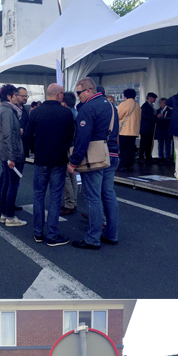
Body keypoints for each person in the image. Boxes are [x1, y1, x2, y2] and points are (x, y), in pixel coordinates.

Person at [67, 77, 119, 249]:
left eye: (79, 92)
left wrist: (73, 162)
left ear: (88, 91)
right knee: (108, 194)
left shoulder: (88, 108)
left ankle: (93, 238)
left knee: (93, 197)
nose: (78, 96)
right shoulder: (110, 105)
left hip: (95, 157)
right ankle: (111, 233)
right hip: (112, 153)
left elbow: (82, 138)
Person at [25, 83, 75, 247]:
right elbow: (70, 137)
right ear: (59, 94)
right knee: (55, 196)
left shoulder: (35, 112)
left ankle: (38, 233)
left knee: (38, 195)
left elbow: (27, 136)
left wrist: (35, 149)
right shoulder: (66, 113)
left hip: (41, 159)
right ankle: (52, 235)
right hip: (59, 160)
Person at [0, 84, 27, 228]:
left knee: (7, 183)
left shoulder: (5, 109)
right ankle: (9, 217)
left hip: (7, 151)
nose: (17, 97)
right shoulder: (8, 111)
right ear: (9, 96)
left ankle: (4, 214)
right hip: (12, 152)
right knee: (12, 184)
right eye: (15, 95)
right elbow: (7, 134)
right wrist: (11, 157)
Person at [61, 92, 79, 216]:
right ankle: (74, 202)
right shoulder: (77, 113)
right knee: (73, 175)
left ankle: (69, 203)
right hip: (75, 147)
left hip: (67, 147)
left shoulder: (66, 114)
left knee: (66, 175)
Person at [116, 88, 141, 171]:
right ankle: (130, 165)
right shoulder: (137, 105)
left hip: (125, 130)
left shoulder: (124, 104)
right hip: (134, 131)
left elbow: (118, 116)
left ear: (125, 96)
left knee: (123, 148)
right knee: (131, 148)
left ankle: (124, 165)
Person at [138, 92, 157, 164]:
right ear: (149, 98)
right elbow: (145, 116)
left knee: (149, 142)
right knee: (144, 142)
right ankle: (142, 156)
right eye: (153, 98)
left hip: (149, 127)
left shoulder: (150, 106)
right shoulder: (145, 106)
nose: (154, 99)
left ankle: (148, 156)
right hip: (146, 127)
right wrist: (155, 117)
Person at [155, 97, 172, 165]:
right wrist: (157, 117)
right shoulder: (157, 111)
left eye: (165, 103)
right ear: (160, 104)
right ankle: (160, 157)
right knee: (160, 144)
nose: (164, 104)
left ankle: (167, 157)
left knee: (167, 144)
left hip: (167, 129)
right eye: (163, 103)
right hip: (160, 129)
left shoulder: (170, 111)